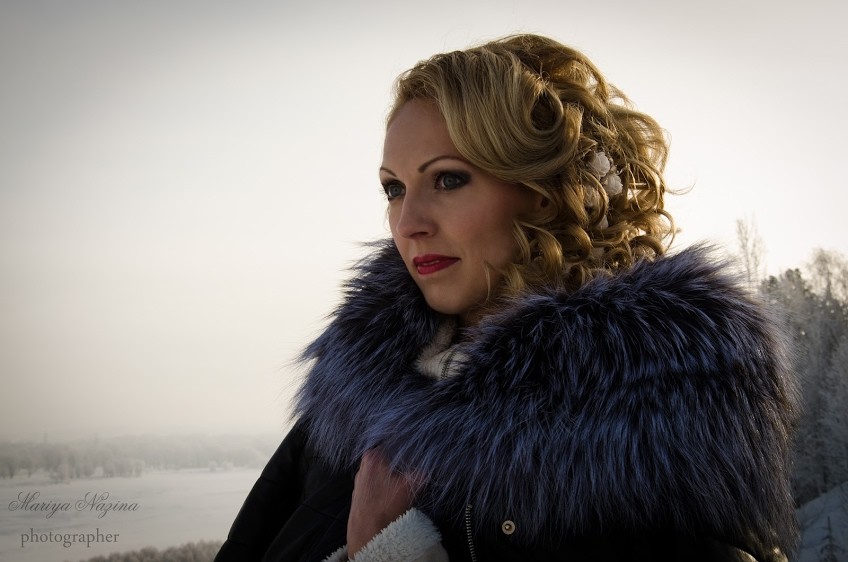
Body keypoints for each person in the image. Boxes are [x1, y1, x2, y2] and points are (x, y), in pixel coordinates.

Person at [215, 34, 798, 562]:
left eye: (448, 179)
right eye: (394, 188)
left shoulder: (656, 435)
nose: (408, 223)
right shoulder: (352, 400)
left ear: (544, 192)